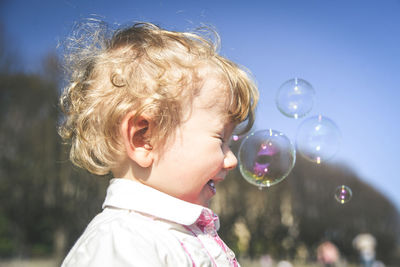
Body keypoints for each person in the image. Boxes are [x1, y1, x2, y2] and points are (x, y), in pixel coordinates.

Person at [59, 21, 259, 267]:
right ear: (143, 138)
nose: (231, 160)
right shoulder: (122, 242)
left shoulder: (179, 232)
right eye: (221, 139)